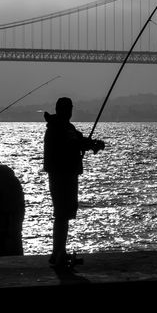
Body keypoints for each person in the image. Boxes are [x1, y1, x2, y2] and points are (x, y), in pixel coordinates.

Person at [43, 97, 104, 268]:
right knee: (62, 214)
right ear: (61, 110)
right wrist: (87, 145)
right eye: (67, 108)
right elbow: (71, 144)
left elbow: (78, 141)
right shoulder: (57, 128)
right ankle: (58, 253)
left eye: (70, 108)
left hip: (68, 175)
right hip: (61, 176)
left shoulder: (66, 128)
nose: (69, 111)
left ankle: (59, 252)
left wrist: (92, 144)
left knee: (64, 214)